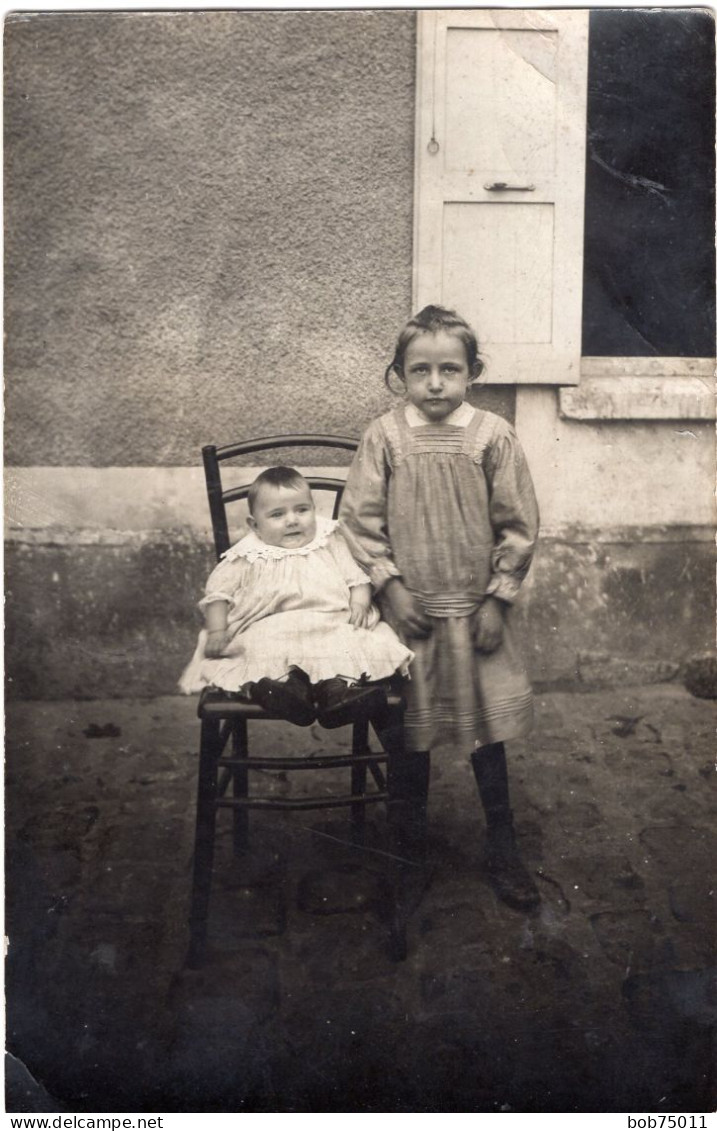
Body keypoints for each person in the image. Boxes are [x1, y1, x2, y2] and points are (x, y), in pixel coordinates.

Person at [339, 304, 541, 910]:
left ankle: (502, 847)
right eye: (419, 370)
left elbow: (519, 525)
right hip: (410, 617)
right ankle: (409, 851)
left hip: (475, 610)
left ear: (472, 372)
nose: (434, 383)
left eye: (448, 370)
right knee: (408, 736)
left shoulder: (492, 436)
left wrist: (497, 600)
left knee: (487, 738)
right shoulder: (384, 437)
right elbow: (359, 520)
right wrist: (390, 587)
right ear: (399, 373)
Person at [179, 465, 413, 729]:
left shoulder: (329, 541)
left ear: (314, 509)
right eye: (277, 515)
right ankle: (284, 692)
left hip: (328, 624)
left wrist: (359, 602)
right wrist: (217, 630)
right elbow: (218, 594)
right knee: (264, 646)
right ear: (255, 525)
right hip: (272, 626)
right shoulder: (248, 554)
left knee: (342, 645)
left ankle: (338, 694)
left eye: (302, 510)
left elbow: (356, 577)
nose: (292, 520)